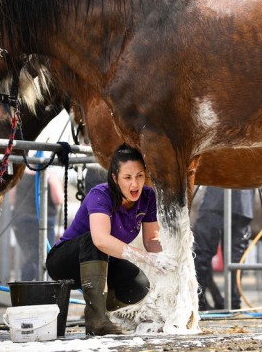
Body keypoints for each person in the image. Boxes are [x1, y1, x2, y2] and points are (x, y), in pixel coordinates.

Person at [45, 144, 176, 336]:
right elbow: (100, 241)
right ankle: (97, 320)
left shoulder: (148, 197)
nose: (135, 184)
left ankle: (101, 310)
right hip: (65, 263)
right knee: (95, 240)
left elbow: (151, 240)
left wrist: (173, 253)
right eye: (128, 177)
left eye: (140, 176)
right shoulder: (100, 195)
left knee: (139, 285)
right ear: (114, 178)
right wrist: (148, 259)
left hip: (104, 263)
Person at [192, 184, 262, 311]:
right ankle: (233, 306)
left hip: (212, 200)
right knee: (236, 257)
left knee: (202, 254)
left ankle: (197, 304)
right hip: (241, 202)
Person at [11, 168, 63, 281]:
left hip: (22, 223)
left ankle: (26, 284)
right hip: (43, 223)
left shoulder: (19, 177)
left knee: (31, 256)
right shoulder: (49, 176)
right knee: (42, 257)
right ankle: (33, 285)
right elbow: (58, 199)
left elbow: (12, 199)